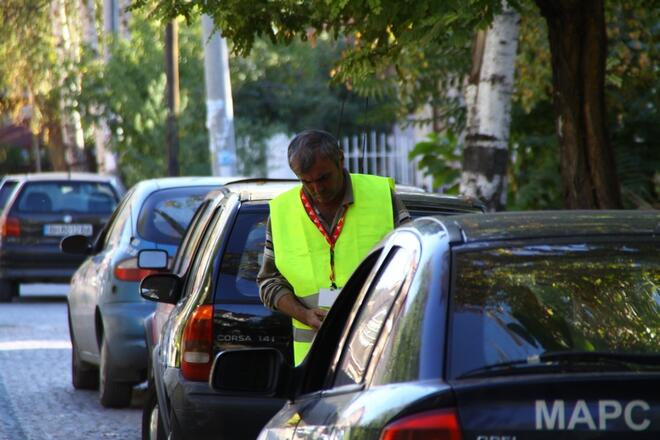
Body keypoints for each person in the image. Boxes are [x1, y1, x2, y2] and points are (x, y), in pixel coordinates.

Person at [257, 129, 410, 365]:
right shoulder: (282, 212)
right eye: (306, 182)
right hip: (314, 364)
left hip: (378, 352)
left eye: (323, 178)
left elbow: (415, 263)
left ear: (341, 160)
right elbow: (269, 282)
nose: (317, 189)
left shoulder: (382, 197)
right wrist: (304, 315)